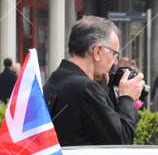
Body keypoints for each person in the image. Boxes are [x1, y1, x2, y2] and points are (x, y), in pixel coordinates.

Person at [45, 18, 140, 147]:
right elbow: (121, 141)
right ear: (97, 52)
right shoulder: (85, 88)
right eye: (114, 54)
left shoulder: (57, 78)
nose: (115, 62)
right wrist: (127, 97)